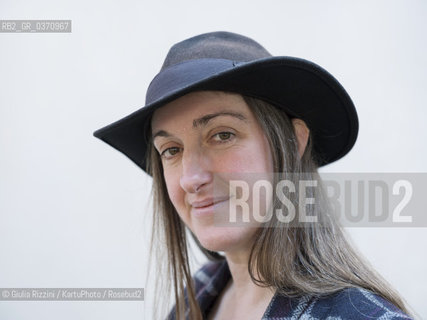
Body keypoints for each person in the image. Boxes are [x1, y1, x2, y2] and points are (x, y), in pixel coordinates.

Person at [93, 31, 412, 319]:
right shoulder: (194, 301)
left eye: (222, 135)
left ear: (293, 140)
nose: (191, 178)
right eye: (172, 151)